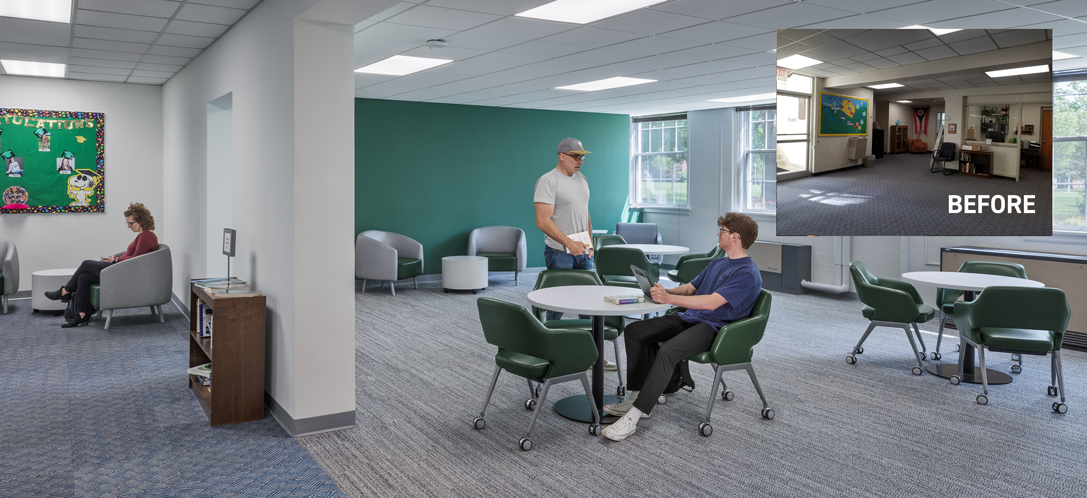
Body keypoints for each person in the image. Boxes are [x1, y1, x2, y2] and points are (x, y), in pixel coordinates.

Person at [600, 213, 763, 442]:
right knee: (635, 331)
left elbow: (712, 302)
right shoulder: (718, 262)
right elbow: (691, 288)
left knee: (669, 351)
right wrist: (663, 291)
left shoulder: (746, 272)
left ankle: (635, 416)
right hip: (691, 318)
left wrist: (668, 299)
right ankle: (636, 394)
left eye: (723, 231)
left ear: (735, 237)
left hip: (716, 328)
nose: (719, 234)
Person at [44, 202, 160, 328]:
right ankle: (81, 315)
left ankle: (65, 291)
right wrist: (116, 258)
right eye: (127, 223)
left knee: (86, 264)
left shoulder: (146, 236)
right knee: (83, 277)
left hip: (126, 274)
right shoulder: (144, 235)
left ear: (141, 220)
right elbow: (133, 258)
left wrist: (116, 261)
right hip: (123, 269)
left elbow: (137, 260)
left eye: (130, 223)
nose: (128, 226)